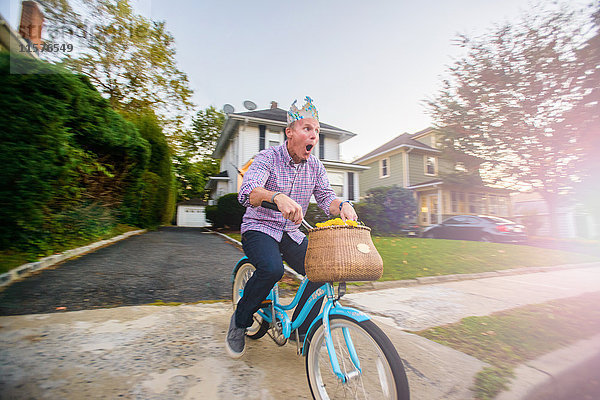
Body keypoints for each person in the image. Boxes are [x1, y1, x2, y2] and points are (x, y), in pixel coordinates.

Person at [225, 96, 358, 358]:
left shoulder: (315, 166)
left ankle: (301, 326)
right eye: (307, 128)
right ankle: (240, 321)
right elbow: (247, 192)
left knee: (322, 270)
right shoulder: (267, 157)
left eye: (317, 131)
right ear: (290, 132)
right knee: (272, 269)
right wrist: (275, 196)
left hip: (290, 232)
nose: (314, 136)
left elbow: (326, 198)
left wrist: (342, 205)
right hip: (259, 227)